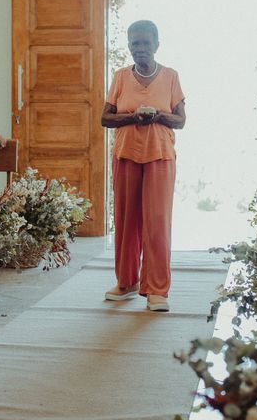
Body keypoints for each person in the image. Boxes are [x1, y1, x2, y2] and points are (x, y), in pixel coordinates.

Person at [101, 20, 186, 312]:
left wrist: (157, 116)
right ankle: (127, 282)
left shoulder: (171, 76)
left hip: (160, 155)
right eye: (134, 43)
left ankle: (157, 289)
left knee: (157, 222)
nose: (140, 49)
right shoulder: (121, 77)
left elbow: (181, 120)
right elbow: (106, 118)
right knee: (126, 221)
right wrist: (132, 118)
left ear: (157, 45)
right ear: (128, 46)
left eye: (145, 43)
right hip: (126, 153)